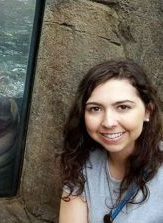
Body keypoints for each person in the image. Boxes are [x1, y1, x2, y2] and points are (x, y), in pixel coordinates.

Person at [59, 59, 163, 222]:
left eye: (123, 107)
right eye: (95, 109)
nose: (108, 122)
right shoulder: (83, 165)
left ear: (147, 111)